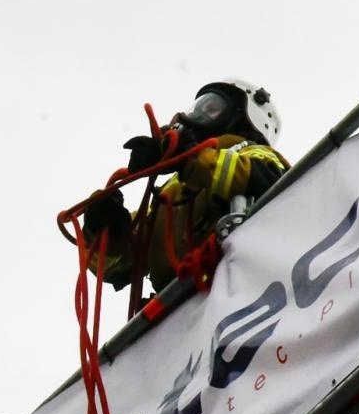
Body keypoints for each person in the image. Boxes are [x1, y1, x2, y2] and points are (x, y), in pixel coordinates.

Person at [84, 79, 290, 294]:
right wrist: (108, 229)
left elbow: (269, 184)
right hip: (178, 311)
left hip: (234, 289)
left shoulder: (254, 153)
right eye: (198, 108)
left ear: (242, 118)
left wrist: (188, 158)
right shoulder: (173, 188)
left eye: (211, 108)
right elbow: (118, 266)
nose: (198, 116)